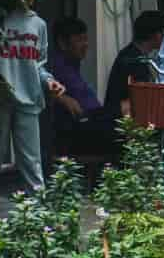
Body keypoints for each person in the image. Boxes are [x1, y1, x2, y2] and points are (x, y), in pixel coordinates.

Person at [0, 0, 61, 206]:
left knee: (31, 162)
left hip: (29, 97)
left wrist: (50, 82)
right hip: (0, 97)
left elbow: (39, 64)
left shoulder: (39, 25)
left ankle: (39, 219)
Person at [47, 15, 122, 169]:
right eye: (80, 40)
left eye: (86, 39)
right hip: (74, 134)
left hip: (89, 124)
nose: (86, 45)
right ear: (62, 43)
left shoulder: (72, 66)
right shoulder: (56, 69)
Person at [106, 9, 164, 124]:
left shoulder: (131, 53)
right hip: (122, 124)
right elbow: (141, 100)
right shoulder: (135, 60)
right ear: (156, 35)